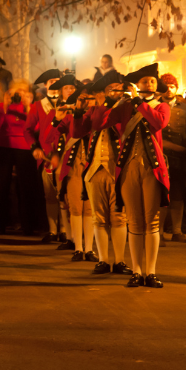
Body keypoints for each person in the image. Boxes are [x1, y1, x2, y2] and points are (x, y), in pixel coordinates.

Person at [94, 63, 170, 288]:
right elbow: (100, 123)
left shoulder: (161, 106)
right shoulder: (125, 105)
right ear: (136, 85)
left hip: (152, 170)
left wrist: (138, 102)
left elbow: (159, 122)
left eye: (152, 82)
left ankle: (151, 272)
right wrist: (109, 100)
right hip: (128, 168)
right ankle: (137, 272)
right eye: (145, 81)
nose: (149, 84)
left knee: (152, 222)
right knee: (135, 223)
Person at [72, 71, 132, 275]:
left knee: (118, 216)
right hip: (95, 169)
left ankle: (120, 261)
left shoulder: (126, 107)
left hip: (118, 169)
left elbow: (108, 123)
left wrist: (108, 104)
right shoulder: (96, 109)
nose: (116, 92)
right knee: (99, 217)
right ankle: (104, 260)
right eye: (111, 89)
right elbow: (77, 133)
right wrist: (79, 112)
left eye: (118, 88)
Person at [48, 85, 98, 263]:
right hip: (74, 165)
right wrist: (56, 119)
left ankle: (90, 249)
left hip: (93, 165)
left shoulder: (99, 115)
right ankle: (78, 247)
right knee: (76, 208)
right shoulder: (69, 117)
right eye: (81, 99)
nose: (85, 102)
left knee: (90, 210)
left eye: (88, 99)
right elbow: (49, 137)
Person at [25, 69, 68, 244]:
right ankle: (52, 230)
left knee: (65, 195)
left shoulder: (69, 103)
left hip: (67, 154)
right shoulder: (38, 105)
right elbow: (27, 130)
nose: (54, 84)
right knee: (50, 195)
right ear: (45, 84)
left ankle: (65, 230)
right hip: (47, 156)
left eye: (58, 80)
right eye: (51, 81)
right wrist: (34, 147)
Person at [0, 80, 38, 235]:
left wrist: (27, 107)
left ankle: (28, 226)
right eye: (15, 91)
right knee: (3, 186)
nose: (18, 94)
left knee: (25, 187)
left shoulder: (30, 107)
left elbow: (34, 127)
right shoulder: (2, 106)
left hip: (24, 147)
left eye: (21, 91)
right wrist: (4, 106)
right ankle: (1, 225)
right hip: (4, 146)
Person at [159, 73, 186, 243]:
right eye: (166, 86)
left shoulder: (184, 108)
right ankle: (159, 231)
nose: (169, 89)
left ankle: (177, 231)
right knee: (162, 195)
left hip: (180, 158)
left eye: (172, 86)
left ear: (176, 88)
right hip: (161, 155)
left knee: (178, 195)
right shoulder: (156, 105)